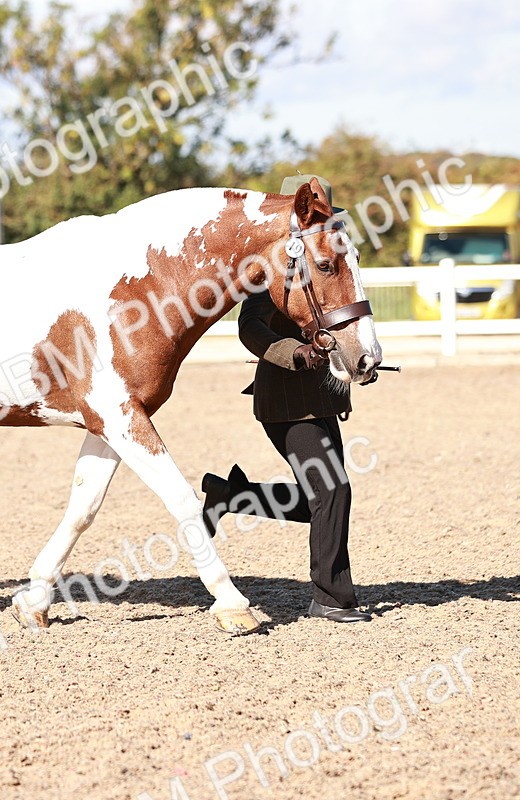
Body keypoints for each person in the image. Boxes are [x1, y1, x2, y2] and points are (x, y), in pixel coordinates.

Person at [200, 175, 371, 624]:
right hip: (284, 399)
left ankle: (233, 497)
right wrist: (294, 353)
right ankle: (331, 597)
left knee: (324, 497)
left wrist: (357, 362)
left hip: (322, 400)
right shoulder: (269, 268)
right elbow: (249, 329)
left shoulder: (327, 256)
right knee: (332, 492)